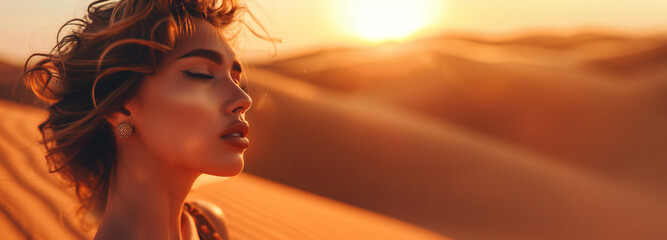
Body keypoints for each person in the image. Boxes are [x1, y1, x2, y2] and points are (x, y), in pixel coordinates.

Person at [22, 0, 269, 239]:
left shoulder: (207, 224)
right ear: (119, 106)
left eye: (236, 79)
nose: (243, 98)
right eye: (202, 74)